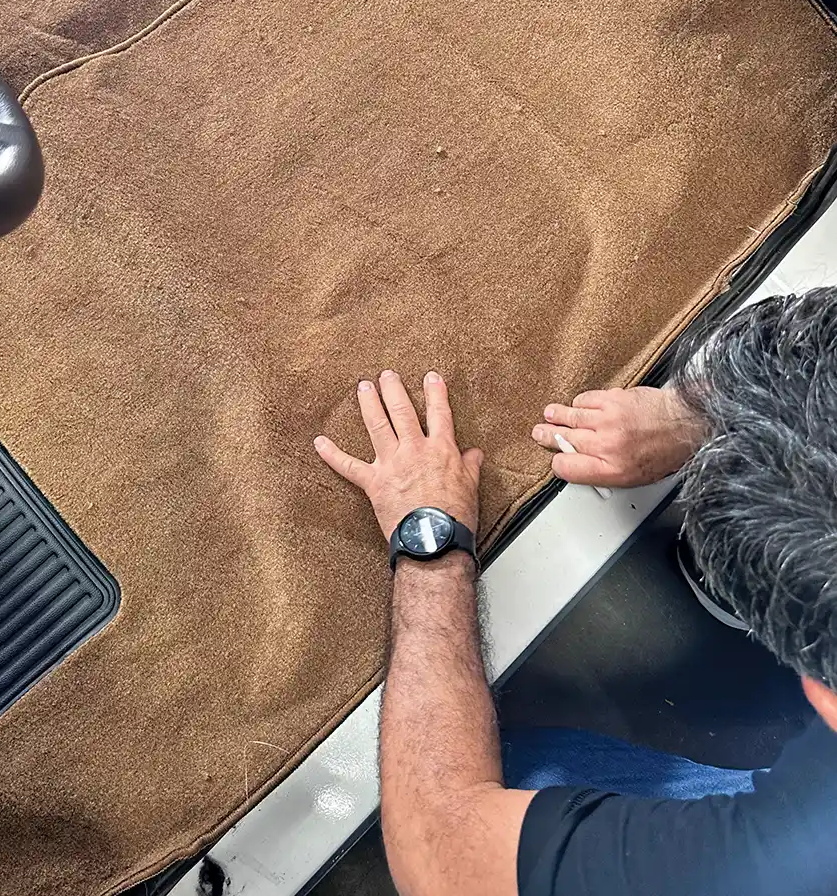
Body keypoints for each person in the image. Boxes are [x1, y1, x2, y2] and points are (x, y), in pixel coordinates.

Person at [313, 287, 837, 896]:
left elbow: (443, 857)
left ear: (820, 694)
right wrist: (690, 416)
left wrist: (430, 534)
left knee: (533, 765)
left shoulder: (790, 855)